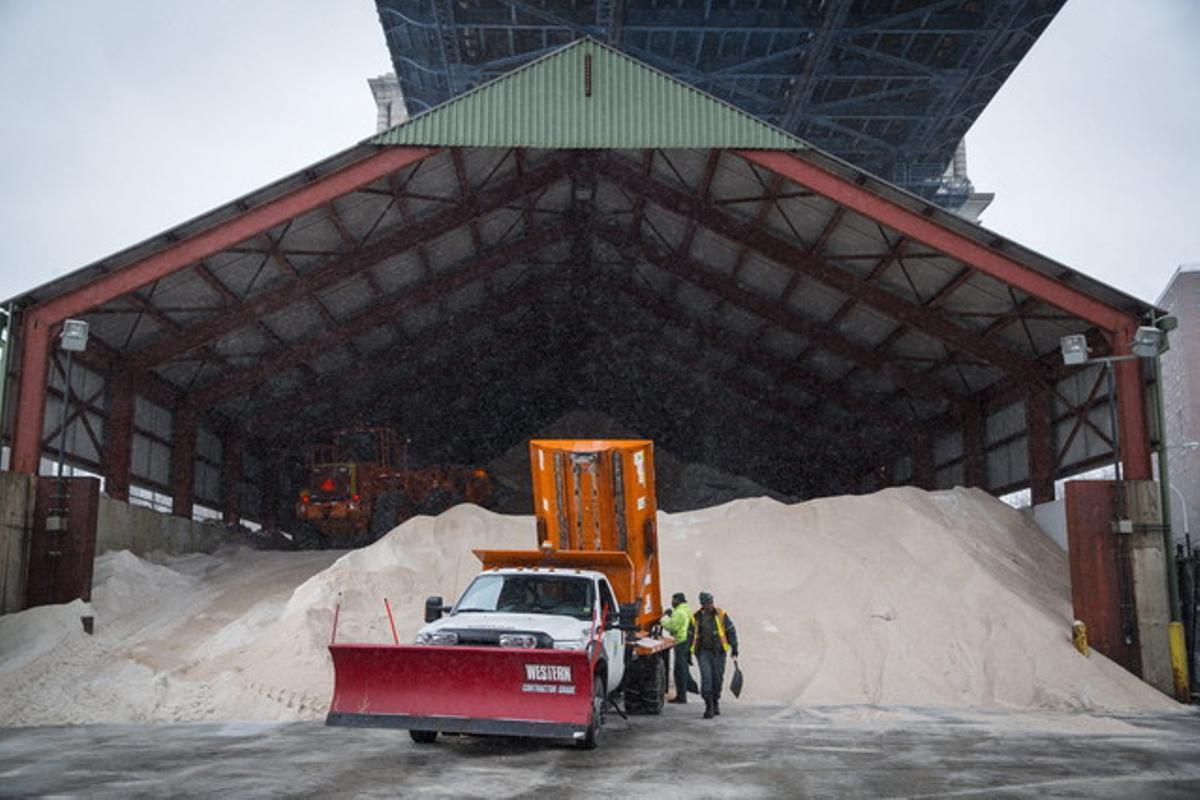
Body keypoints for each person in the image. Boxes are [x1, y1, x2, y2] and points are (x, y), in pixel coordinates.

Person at [690, 591, 738, 719]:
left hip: (719, 653)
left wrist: (735, 648)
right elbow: (690, 636)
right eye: (707, 603)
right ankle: (708, 706)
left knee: (717, 679)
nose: (710, 605)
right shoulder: (696, 617)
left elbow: (730, 630)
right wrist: (688, 653)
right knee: (707, 678)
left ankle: (716, 701)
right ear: (702, 604)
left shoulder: (721, 615)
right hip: (703, 653)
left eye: (711, 602)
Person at [660, 592, 693, 704]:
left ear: (678, 600)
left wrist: (663, 618)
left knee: (679, 670)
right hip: (685, 641)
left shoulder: (679, 612)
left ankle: (681, 696)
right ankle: (682, 695)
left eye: (673, 600)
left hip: (681, 642)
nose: (672, 602)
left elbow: (672, 626)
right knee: (682, 669)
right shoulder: (685, 610)